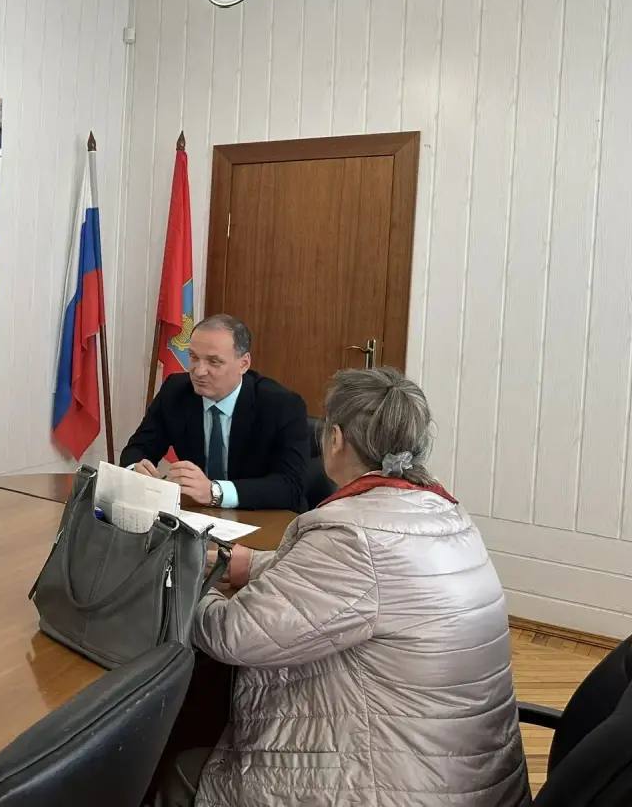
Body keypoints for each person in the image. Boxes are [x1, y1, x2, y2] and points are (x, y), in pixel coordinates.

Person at [156, 367, 529, 807]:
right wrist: (249, 564)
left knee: (175, 762)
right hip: (464, 772)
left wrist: (183, 580)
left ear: (335, 439)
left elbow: (232, 634)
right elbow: (367, 582)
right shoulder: (441, 512)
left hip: (389, 783)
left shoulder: (351, 535)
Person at [120, 314, 308, 510]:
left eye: (214, 362)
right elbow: (138, 449)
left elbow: (291, 486)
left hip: (263, 517)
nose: (199, 371)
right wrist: (136, 471)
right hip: (198, 516)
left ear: (244, 364)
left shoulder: (281, 405)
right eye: (194, 357)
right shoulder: (176, 391)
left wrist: (215, 491)